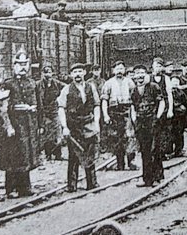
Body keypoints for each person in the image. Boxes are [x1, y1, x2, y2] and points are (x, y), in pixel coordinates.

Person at [0, 52, 40, 198]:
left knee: (26, 156)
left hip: (28, 125)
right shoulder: (7, 84)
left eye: (25, 64)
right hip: (14, 126)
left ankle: (25, 188)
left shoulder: (32, 82)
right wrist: (8, 126)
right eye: (19, 64)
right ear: (14, 66)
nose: (23, 67)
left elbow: (38, 104)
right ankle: (11, 189)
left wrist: (39, 124)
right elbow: (2, 107)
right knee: (12, 157)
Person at [57, 63, 100, 193]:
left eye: (80, 71)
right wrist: (64, 127)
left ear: (84, 73)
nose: (77, 74)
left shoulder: (90, 87)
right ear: (71, 75)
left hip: (89, 124)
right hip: (74, 126)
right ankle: (72, 185)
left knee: (90, 154)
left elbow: (97, 105)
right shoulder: (66, 90)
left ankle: (92, 183)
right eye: (74, 72)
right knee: (74, 156)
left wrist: (97, 122)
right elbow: (61, 108)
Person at [130, 64, 167, 187]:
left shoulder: (153, 87)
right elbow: (132, 107)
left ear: (146, 74)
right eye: (137, 73)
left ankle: (157, 177)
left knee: (154, 149)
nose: (139, 76)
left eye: (142, 73)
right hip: (141, 123)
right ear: (134, 76)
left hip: (152, 121)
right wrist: (134, 119)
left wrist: (157, 117)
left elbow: (161, 102)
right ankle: (146, 178)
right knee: (144, 150)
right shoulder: (134, 90)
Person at [101, 60, 137, 170]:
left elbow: (135, 100)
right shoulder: (108, 83)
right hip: (114, 113)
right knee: (116, 139)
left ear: (124, 70)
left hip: (127, 112)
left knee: (130, 137)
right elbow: (104, 101)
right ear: (113, 71)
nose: (119, 71)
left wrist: (134, 114)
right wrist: (106, 115)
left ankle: (131, 162)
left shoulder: (130, 82)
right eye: (117, 69)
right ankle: (120, 163)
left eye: (121, 69)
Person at [36, 65, 65, 160]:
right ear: (42, 74)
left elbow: (66, 88)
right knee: (47, 133)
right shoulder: (38, 85)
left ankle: (58, 154)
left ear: (52, 73)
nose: (48, 74)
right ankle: (48, 154)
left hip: (55, 111)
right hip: (44, 112)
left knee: (57, 133)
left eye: (49, 72)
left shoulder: (57, 84)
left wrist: (60, 100)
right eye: (45, 72)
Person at [150, 57, 174, 156]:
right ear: (152, 67)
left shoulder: (166, 78)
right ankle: (154, 151)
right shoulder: (149, 78)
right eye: (156, 66)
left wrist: (170, 110)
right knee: (154, 129)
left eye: (160, 66)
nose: (158, 68)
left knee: (165, 129)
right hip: (153, 106)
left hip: (165, 105)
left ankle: (164, 152)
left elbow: (169, 94)